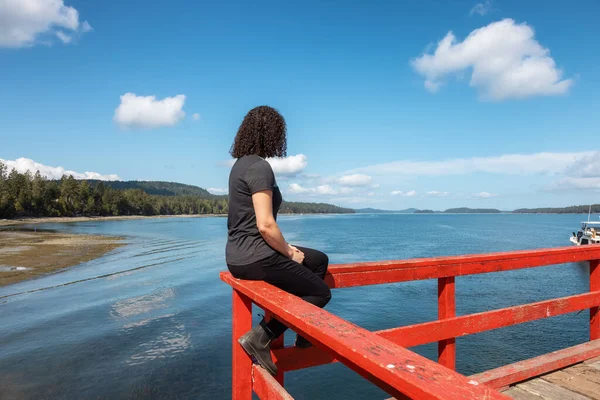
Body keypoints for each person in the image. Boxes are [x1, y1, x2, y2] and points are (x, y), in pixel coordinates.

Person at [226, 106, 332, 376]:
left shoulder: (240, 165)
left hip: (239, 255)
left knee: (318, 260)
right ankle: (261, 337)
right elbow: (265, 224)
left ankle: (302, 328)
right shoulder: (260, 167)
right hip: (255, 256)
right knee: (320, 292)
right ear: (271, 134)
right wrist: (288, 252)